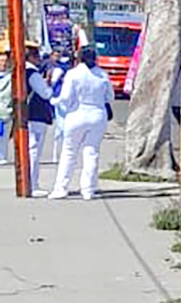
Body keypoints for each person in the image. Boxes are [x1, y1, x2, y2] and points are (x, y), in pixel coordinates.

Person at [49, 46, 114, 201]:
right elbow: (110, 96)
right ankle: (88, 189)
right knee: (91, 153)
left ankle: (61, 188)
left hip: (76, 114)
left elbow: (65, 97)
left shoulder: (73, 74)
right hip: (97, 115)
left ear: (79, 58)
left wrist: (54, 101)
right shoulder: (102, 75)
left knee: (69, 152)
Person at [22, 45, 54, 193]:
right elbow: (46, 93)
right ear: (31, 58)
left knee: (29, 149)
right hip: (36, 114)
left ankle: (28, 182)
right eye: (37, 57)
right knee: (34, 150)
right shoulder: (33, 74)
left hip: (26, 113)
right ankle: (33, 184)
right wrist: (49, 83)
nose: (39, 60)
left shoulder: (21, 72)